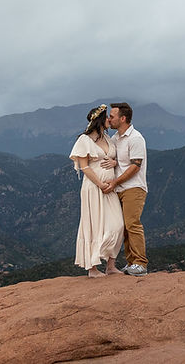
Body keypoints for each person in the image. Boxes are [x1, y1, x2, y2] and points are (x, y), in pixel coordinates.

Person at [69, 104, 123, 277]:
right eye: (107, 117)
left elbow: (116, 158)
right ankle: (92, 268)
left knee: (118, 225)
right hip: (93, 188)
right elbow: (84, 167)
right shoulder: (84, 140)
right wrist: (100, 184)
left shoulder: (108, 138)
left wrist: (114, 163)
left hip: (110, 187)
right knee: (94, 225)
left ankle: (110, 265)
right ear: (100, 120)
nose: (109, 120)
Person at [101, 101, 148, 276]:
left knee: (132, 224)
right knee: (124, 227)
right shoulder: (115, 139)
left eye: (112, 116)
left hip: (133, 187)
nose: (109, 119)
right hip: (120, 188)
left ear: (123, 118)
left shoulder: (135, 138)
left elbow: (135, 166)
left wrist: (115, 182)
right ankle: (131, 263)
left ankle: (140, 263)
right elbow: (121, 162)